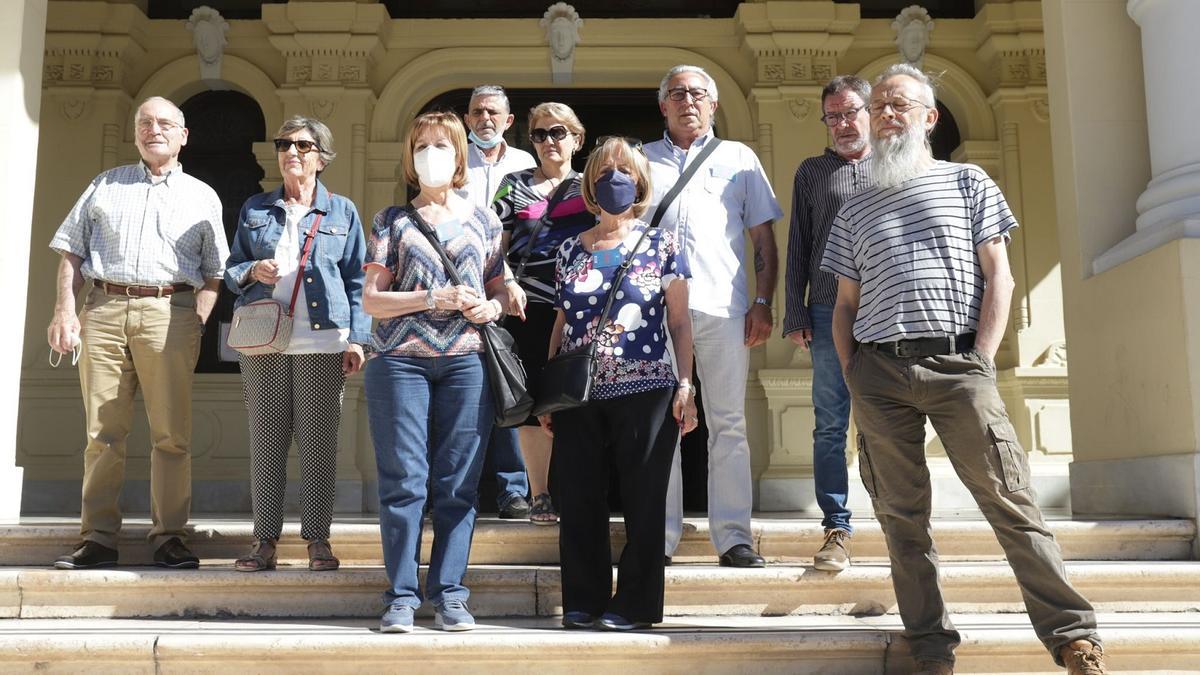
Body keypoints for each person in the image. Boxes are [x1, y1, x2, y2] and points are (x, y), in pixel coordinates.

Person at [820, 64, 1107, 675]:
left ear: (930, 117)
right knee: (902, 520)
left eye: (901, 105)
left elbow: (999, 274)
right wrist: (852, 372)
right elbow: (844, 303)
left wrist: (980, 356)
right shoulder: (851, 204)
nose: (887, 114)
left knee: (1012, 503)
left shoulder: (969, 181)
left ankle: (1073, 637)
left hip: (958, 366)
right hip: (878, 372)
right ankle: (930, 649)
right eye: (880, 107)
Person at [46, 96, 228, 570]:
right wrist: (64, 309)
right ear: (135, 133)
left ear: (183, 135)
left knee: (171, 436)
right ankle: (99, 538)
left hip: (170, 313)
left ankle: (168, 536)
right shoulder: (103, 185)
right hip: (102, 309)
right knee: (102, 433)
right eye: (145, 123)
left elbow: (215, 272)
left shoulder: (202, 194)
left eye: (165, 123)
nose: (154, 130)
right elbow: (71, 252)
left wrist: (198, 319)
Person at [539, 137, 697, 631]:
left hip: (646, 388)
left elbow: (680, 322)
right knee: (579, 497)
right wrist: (548, 390)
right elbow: (562, 322)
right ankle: (582, 600)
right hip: (580, 392)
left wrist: (686, 384)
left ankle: (634, 603)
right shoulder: (569, 249)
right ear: (590, 183)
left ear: (640, 181)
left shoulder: (662, 243)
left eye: (624, 169)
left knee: (644, 499)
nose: (614, 177)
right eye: (604, 170)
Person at [363, 111, 510, 634]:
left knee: (458, 485)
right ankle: (400, 596)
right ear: (410, 156)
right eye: (422, 146)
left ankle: (449, 593)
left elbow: (499, 287)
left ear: (459, 156)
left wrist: (490, 307)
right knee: (404, 481)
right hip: (399, 362)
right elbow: (372, 301)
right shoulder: (391, 221)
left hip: (467, 362)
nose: (431, 155)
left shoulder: (486, 220)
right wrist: (431, 297)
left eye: (442, 146)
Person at [645, 65, 783, 568]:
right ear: (663, 106)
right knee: (663, 424)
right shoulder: (642, 160)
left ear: (714, 104)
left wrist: (763, 302)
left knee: (728, 423)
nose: (689, 102)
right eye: (678, 93)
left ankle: (733, 537)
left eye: (699, 94)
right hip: (655, 311)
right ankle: (658, 538)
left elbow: (763, 239)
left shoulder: (739, 158)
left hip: (724, 307)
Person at [223, 116, 370, 573]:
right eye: (285, 144)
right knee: (266, 442)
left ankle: (317, 541)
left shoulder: (341, 211)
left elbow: (357, 280)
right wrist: (252, 271)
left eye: (304, 146)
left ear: (321, 158)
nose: (292, 152)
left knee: (318, 444)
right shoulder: (255, 208)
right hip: (264, 338)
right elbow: (230, 270)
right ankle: (264, 541)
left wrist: (359, 339)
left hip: (324, 339)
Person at [782, 75, 875, 572]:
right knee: (830, 424)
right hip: (824, 309)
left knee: (889, 419)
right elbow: (797, 243)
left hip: (886, 310)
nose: (842, 124)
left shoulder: (897, 167)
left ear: (870, 111)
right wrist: (795, 312)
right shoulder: (812, 172)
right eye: (832, 116)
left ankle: (900, 519)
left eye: (850, 112)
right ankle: (837, 527)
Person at [491, 102, 592, 524]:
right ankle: (541, 494)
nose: (549, 141)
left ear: (577, 138)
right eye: (539, 134)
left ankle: (578, 490)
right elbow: (492, 246)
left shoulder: (591, 186)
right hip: (527, 308)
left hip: (581, 308)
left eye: (558, 132)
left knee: (578, 398)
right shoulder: (511, 185)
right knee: (533, 402)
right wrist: (508, 281)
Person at [462, 84, 537, 518]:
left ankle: (513, 489)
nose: (484, 119)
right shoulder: (454, 160)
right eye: (477, 112)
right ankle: (461, 488)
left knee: (510, 385)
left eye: (493, 112)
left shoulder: (525, 163)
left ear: (510, 121)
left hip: (513, 291)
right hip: (462, 292)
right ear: (468, 118)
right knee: (464, 392)